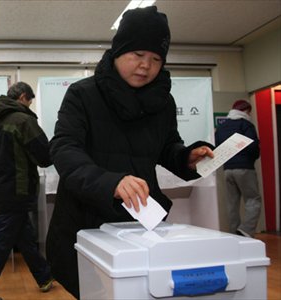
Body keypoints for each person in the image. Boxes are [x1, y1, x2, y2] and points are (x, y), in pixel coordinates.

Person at [45, 6, 214, 299]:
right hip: (84, 221)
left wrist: (185, 157)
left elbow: (166, 147)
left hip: (141, 223)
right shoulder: (82, 94)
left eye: (156, 59)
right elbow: (64, 148)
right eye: (137, 55)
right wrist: (110, 182)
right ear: (118, 51)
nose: (146, 66)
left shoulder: (163, 102)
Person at [0, 82, 54, 300]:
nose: (30, 106)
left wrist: (4, 170)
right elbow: (44, 156)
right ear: (23, 97)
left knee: (23, 235)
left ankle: (43, 277)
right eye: (30, 101)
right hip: (20, 190)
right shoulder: (23, 120)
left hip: (2, 189)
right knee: (0, 241)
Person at [215, 99, 261, 238]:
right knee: (253, 199)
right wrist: (252, 157)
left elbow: (217, 146)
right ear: (246, 111)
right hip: (245, 167)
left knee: (232, 203)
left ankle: (234, 233)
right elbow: (253, 146)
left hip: (228, 169)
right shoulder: (246, 124)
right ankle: (246, 230)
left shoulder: (222, 127)